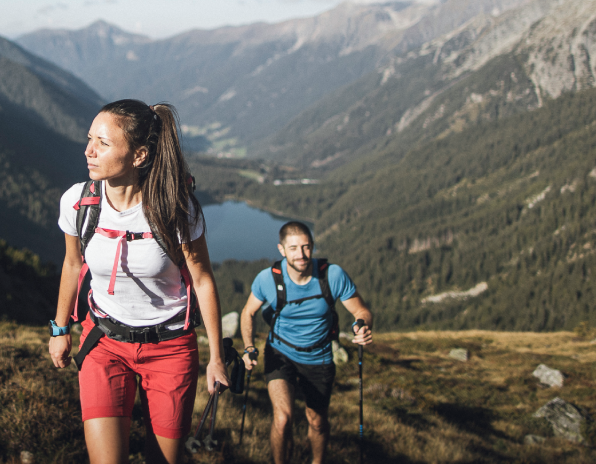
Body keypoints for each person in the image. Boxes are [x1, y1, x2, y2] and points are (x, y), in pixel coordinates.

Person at [48, 99, 229, 464]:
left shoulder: (175, 209)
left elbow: (203, 280)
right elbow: (72, 265)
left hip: (170, 349)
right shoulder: (79, 203)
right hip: (103, 343)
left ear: (138, 155)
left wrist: (217, 358)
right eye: (89, 139)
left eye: (103, 143)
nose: (89, 151)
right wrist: (60, 328)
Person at [238, 221, 373, 464]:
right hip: (279, 354)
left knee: (317, 421)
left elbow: (361, 311)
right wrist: (249, 348)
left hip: (318, 357)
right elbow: (248, 312)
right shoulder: (267, 279)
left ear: (312, 246)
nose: (301, 255)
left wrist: (362, 326)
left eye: (306, 247)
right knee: (282, 420)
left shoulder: (332, 275)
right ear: (281, 249)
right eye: (293, 248)